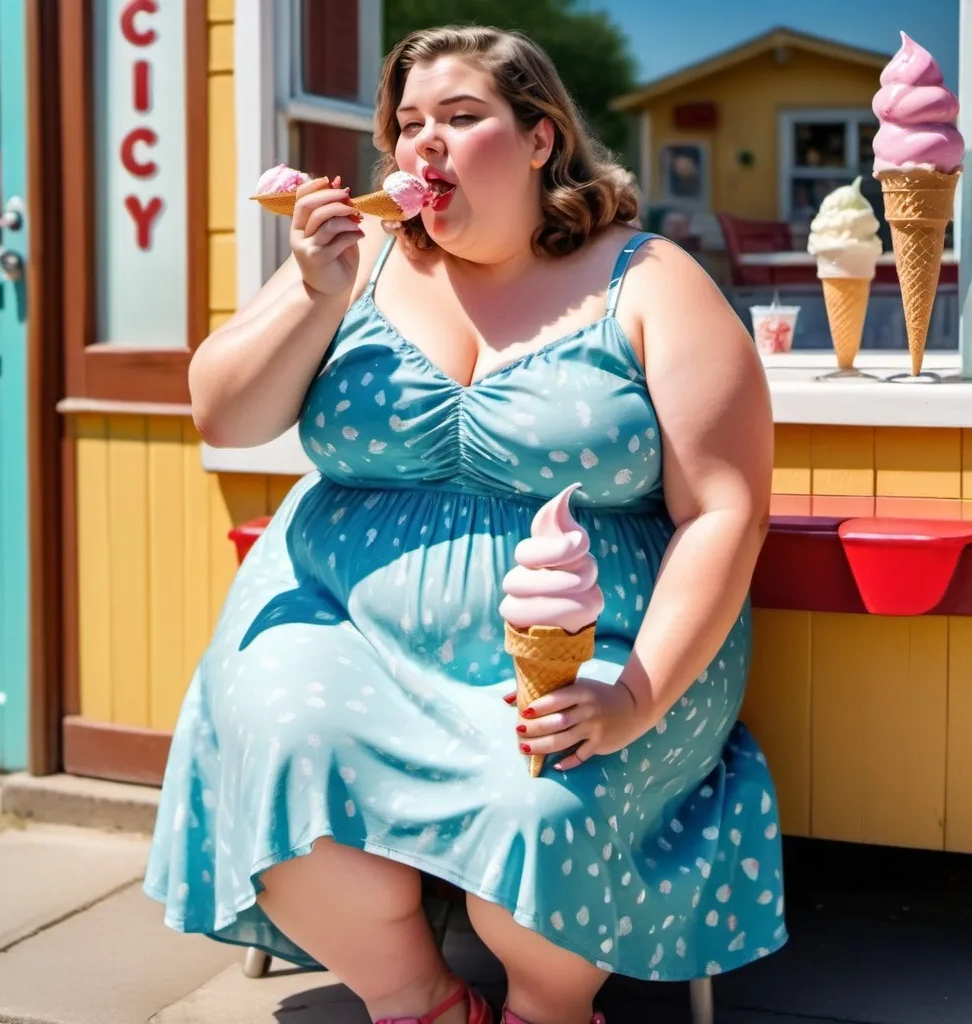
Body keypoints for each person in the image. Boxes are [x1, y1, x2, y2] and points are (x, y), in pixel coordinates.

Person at [144, 24, 785, 1024]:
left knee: (540, 805)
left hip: (598, 642)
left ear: (539, 139)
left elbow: (724, 511)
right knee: (277, 737)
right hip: (338, 620)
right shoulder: (355, 261)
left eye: (459, 116)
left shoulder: (650, 280)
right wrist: (311, 291)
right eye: (406, 124)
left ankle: (546, 1008)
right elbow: (227, 417)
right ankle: (421, 1002)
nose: (422, 145)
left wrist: (633, 694)